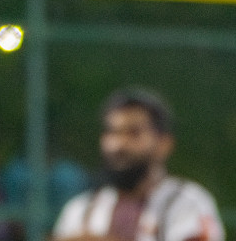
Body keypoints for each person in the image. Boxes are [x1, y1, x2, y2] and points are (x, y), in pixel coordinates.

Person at [51, 90, 221, 241]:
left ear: (164, 144)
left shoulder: (186, 203)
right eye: (112, 132)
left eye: (134, 133)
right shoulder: (81, 210)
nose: (119, 145)